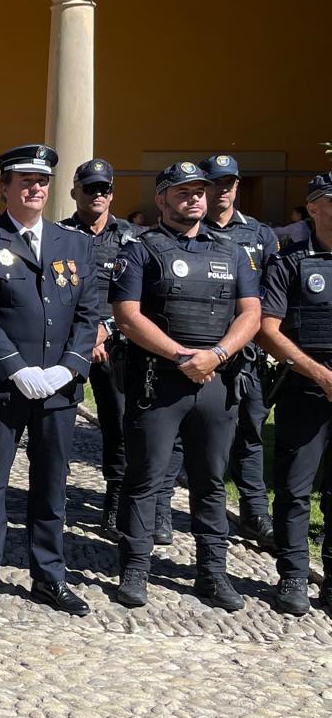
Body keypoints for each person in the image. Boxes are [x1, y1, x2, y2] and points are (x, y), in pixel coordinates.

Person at [0, 145, 97, 616]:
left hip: (57, 386)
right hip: (3, 383)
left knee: (50, 482)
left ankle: (49, 576)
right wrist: (15, 367)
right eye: (25, 181)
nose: (36, 188)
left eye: (43, 181)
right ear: (6, 188)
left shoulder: (74, 244)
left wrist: (68, 367)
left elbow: (88, 312)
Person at [111, 160, 261, 611]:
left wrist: (215, 356)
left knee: (210, 480)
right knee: (146, 477)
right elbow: (127, 315)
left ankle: (212, 574)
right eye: (183, 191)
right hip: (159, 381)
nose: (195, 198)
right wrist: (180, 356)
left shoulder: (232, 251)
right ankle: (135, 569)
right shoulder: (140, 248)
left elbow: (251, 313)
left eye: (200, 191)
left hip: (216, 380)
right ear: (162, 199)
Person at [255, 173, 332, 615]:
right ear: (315, 207)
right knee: (295, 490)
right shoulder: (291, 260)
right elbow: (268, 329)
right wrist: (320, 374)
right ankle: (293, 577)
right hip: (305, 386)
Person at [200, 153, 280, 551]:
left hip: (246, 353)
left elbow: (273, 292)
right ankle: (168, 508)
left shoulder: (260, 235)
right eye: (216, 182)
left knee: (250, 433)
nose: (224, 189)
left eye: (230, 182)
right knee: (190, 435)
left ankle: (254, 512)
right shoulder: (192, 231)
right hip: (201, 348)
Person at [60, 159, 144, 532]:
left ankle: (113, 504)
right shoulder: (57, 235)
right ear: (74, 191)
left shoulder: (131, 238)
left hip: (117, 347)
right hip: (67, 345)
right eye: (90, 188)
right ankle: (51, 500)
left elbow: (136, 294)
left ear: (112, 193)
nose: (97, 195)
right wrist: (85, 333)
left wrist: (104, 329)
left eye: (104, 189)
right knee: (56, 424)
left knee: (118, 427)